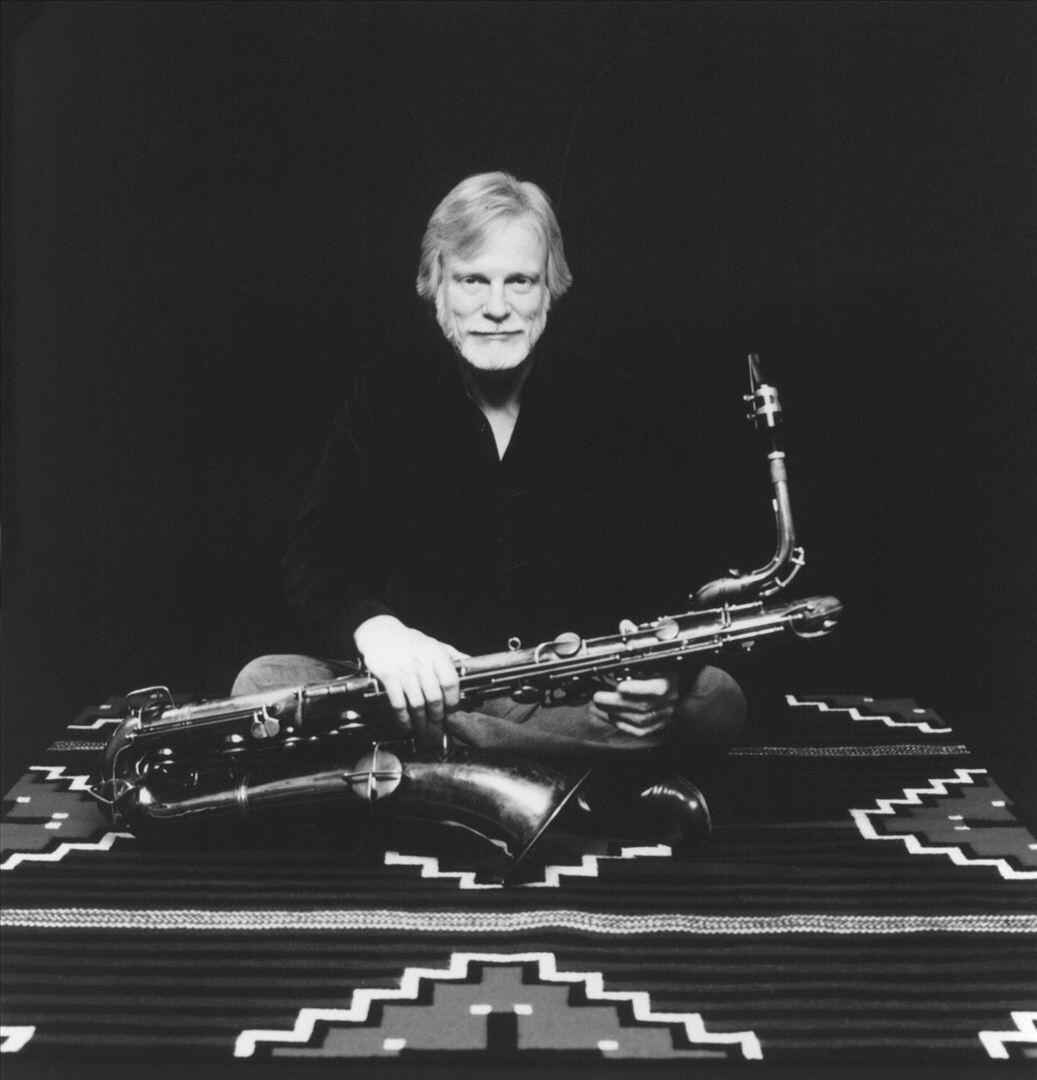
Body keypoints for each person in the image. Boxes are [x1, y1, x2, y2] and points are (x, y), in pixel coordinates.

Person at [233, 172, 746, 811]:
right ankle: (545, 779)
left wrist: (663, 677)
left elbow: (670, 575)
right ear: (437, 287)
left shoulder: (612, 402)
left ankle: (431, 772)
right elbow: (315, 560)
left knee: (714, 699)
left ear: (549, 290)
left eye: (519, 281)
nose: (496, 306)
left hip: (570, 699)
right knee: (262, 684)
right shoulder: (381, 396)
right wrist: (381, 633)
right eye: (473, 280)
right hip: (420, 697)